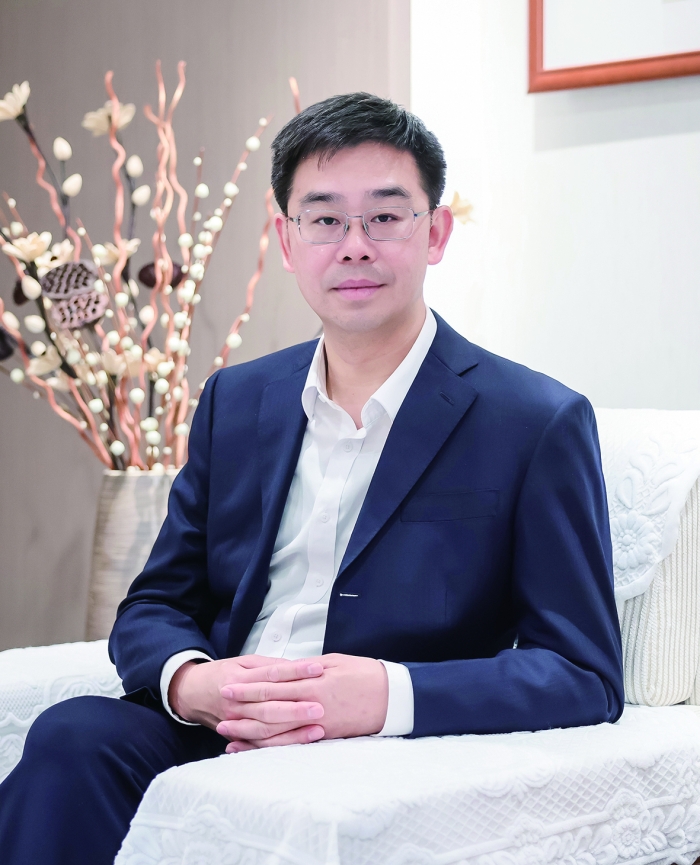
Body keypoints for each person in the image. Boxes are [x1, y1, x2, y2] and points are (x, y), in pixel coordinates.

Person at [0, 92, 624, 864]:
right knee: (71, 736)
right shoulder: (237, 399)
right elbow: (158, 601)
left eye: (385, 216)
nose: (354, 246)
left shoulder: (535, 419)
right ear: (286, 241)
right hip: (221, 722)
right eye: (324, 219)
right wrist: (193, 682)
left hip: (384, 750)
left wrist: (386, 695)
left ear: (436, 233)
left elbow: (582, 670)